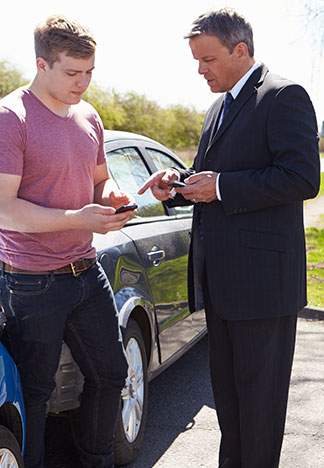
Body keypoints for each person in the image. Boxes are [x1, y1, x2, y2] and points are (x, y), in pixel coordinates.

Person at [138, 8, 320, 468]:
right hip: (219, 286)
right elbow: (214, 178)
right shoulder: (217, 107)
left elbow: (302, 178)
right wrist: (177, 183)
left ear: (241, 50)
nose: (200, 70)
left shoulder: (284, 96)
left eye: (208, 59)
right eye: (197, 61)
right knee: (232, 410)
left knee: (259, 413)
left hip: (263, 289)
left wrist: (219, 186)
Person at [0, 16, 132, 468]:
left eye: (89, 73)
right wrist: (78, 216)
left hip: (86, 271)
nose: (82, 84)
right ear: (41, 63)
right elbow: (1, 211)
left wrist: (110, 200)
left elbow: (100, 182)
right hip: (29, 282)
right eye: (71, 73)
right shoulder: (8, 120)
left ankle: (96, 461)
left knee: (111, 374)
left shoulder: (89, 116)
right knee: (35, 395)